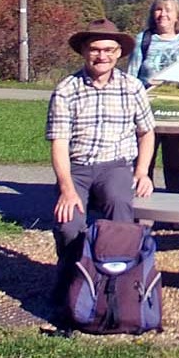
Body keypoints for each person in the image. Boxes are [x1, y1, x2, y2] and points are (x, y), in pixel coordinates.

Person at [46, 19, 156, 317]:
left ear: (119, 52)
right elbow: (58, 144)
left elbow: (147, 132)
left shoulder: (132, 87)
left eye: (109, 50)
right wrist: (67, 190)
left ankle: (118, 285)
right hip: (78, 168)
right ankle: (70, 281)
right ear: (84, 51)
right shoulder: (66, 89)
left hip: (116, 165)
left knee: (121, 209)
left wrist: (142, 171)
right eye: (95, 49)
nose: (102, 56)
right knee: (69, 224)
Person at [126, 0, 179, 193]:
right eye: (159, 9)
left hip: (176, 109)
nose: (163, 14)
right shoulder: (144, 39)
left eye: (168, 10)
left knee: (175, 162)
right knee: (144, 162)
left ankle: (177, 209)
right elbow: (132, 76)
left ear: (178, 16)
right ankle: (140, 208)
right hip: (146, 110)